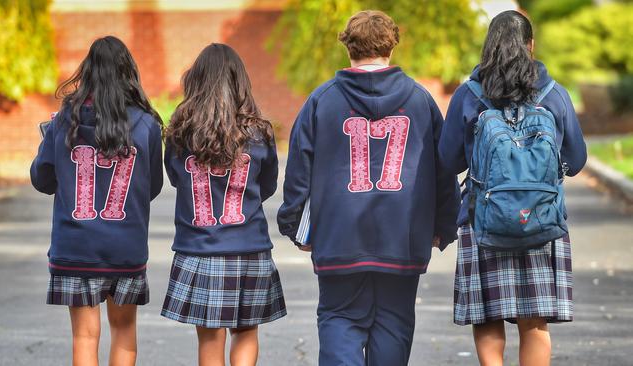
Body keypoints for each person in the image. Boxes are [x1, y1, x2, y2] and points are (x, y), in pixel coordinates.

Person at [277, 10, 460, 366]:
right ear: (392, 45)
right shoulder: (421, 101)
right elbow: (443, 170)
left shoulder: (322, 100)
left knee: (339, 319)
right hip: (403, 236)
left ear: (348, 45)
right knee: (394, 324)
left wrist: (295, 225)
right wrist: (442, 226)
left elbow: (299, 170)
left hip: (338, 235)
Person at [439, 10, 587, 366]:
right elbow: (577, 159)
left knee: (488, 316)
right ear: (531, 46)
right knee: (534, 322)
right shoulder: (554, 94)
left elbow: (447, 161)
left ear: (488, 48)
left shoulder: (469, 95)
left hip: (483, 219)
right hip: (541, 220)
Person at [30, 36, 163, 366]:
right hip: (125, 248)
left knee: (85, 336)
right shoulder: (146, 124)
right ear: (128, 73)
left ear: (86, 72)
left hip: (76, 248)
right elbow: (152, 186)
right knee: (123, 330)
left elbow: (42, 179)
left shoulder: (65, 121)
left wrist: (50, 140)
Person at [161, 43, 286, 366]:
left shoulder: (179, 131)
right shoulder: (259, 132)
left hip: (199, 249)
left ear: (196, 81)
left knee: (209, 337)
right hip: (249, 248)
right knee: (245, 333)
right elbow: (267, 185)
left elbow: (177, 179)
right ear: (240, 82)